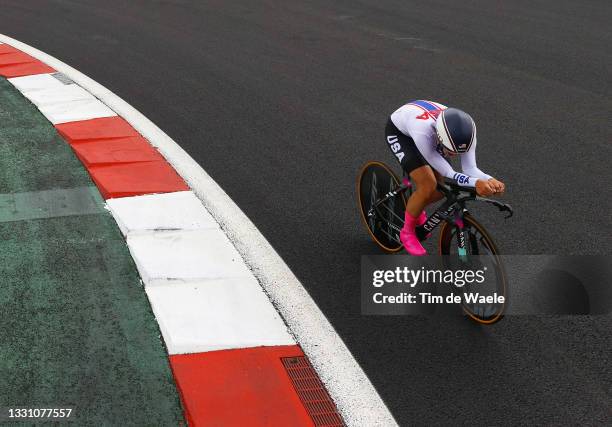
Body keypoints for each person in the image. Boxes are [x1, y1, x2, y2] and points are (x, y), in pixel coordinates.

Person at [385, 100, 505, 256]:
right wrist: (476, 183)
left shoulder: (467, 133)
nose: (453, 156)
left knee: (442, 189)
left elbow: (470, 168)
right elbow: (450, 173)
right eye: (450, 151)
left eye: (456, 152)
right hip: (401, 132)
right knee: (428, 185)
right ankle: (407, 232)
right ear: (440, 138)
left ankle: (417, 206)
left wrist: (490, 179)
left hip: (431, 131)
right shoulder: (423, 133)